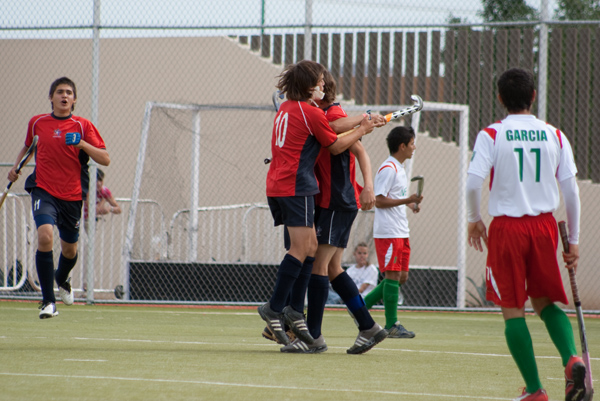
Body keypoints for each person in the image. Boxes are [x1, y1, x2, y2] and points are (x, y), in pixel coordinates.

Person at [466, 67, 586, 401]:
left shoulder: (491, 134)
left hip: (507, 229)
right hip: (545, 227)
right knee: (545, 302)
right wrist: (573, 239)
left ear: (500, 98)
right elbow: (572, 193)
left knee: (513, 308)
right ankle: (572, 359)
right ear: (533, 96)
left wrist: (474, 219)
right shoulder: (555, 135)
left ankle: (535, 390)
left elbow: (474, 182)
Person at [259, 60, 376, 346]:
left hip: (279, 184)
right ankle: (276, 309)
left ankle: (295, 313)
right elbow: (334, 143)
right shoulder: (310, 112)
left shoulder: (288, 107)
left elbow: (333, 124)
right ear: (309, 85)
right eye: (319, 82)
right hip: (297, 187)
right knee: (305, 251)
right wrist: (363, 127)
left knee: (309, 248)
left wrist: (362, 120)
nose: (323, 85)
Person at [7, 77, 110, 319]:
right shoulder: (37, 123)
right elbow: (28, 147)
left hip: (72, 196)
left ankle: (61, 278)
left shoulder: (82, 125)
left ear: (74, 100)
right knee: (44, 235)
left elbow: (105, 159)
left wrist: (82, 144)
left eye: (69, 93)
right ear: (51, 97)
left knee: (70, 250)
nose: (64, 96)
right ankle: (48, 302)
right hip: (43, 189)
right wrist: (16, 166)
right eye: (60, 92)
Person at [363, 126, 423, 339]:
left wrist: (410, 205)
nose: (414, 147)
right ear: (402, 146)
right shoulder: (388, 168)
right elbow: (378, 200)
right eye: (412, 143)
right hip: (388, 232)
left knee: (401, 277)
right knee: (392, 275)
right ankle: (391, 325)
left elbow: (393, 197)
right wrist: (407, 200)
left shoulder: (399, 167)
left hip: (400, 230)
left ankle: (362, 306)